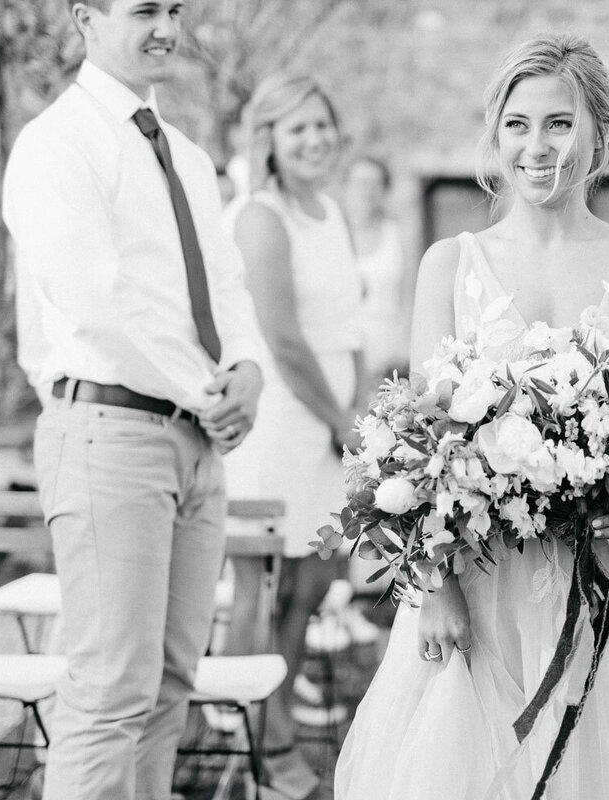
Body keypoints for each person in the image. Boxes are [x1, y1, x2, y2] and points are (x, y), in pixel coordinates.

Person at [335, 34, 609, 800]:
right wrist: (435, 588)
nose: (537, 145)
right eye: (517, 124)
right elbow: (420, 453)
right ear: (494, 136)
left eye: (559, 122)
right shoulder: (448, 265)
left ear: (599, 130)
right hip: (485, 582)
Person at [2, 1, 265, 797]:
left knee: (170, 684)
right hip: (110, 430)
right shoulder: (56, 144)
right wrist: (204, 391)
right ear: (86, 18)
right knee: (111, 690)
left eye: (175, 9)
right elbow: (94, 301)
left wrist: (247, 370)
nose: (166, 27)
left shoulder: (183, 153)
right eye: (145, 9)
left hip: (195, 442)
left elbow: (224, 285)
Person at [223, 72, 365, 800]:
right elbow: (281, 337)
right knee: (266, 585)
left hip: (333, 421)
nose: (313, 139)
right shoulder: (260, 215)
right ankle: (258, 741)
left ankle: (272, 722)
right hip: (282, 419)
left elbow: (348, 326)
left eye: (320, 124)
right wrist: (337, 417)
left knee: (311, 583)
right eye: (295, 127)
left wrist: (363, 413)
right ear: (269, 139)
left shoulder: (331, 211)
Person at [342, 155, 413, 382]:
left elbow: (411, 292)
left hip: (389, 354)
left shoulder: (399, 234)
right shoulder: (332, 237)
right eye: (360, 183)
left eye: (375, 184)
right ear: (346, 187)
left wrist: (404, 345)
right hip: (344, 351)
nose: (367, 191)